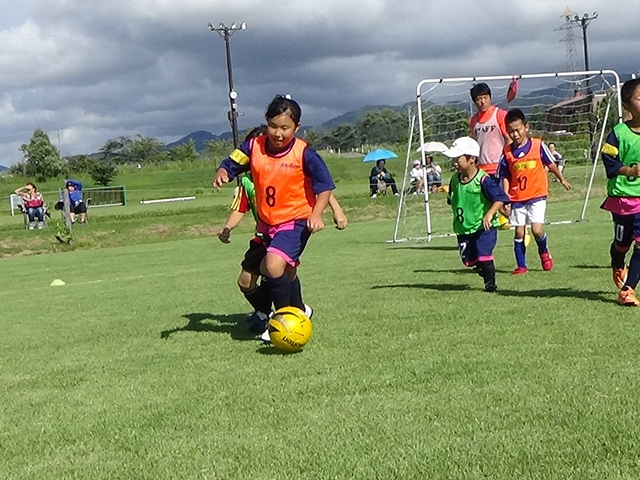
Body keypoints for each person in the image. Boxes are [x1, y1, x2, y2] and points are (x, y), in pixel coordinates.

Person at [213, 95, 336, 339]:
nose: (278, 133)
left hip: (297, 221)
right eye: (272, 126)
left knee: (272, 265)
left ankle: (283, 321)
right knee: (283, 273)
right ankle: (298, 310)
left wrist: (317, 214)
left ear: (297, 128)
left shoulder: (305, 153)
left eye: (285, 128)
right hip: (267, 225)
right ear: (266, 122)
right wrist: (223, 171)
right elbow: (233, 161)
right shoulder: (253, 146)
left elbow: (325, 186)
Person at [498, 109, 571, 275]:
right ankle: (521, 266)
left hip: (537, 194)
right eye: (511, 131)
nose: (515, 134)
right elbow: (505, 176)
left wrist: (562, 179)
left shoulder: (537, 145)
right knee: (519, 231)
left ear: (526, 127)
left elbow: (551, 164)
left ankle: (544, 252)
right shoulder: (507, 153)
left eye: (518, 130)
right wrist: (506, 197)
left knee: (537, 230)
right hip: (517, 197)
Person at [444, 137, 509, 292]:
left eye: (457, 158)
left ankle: (490, 284)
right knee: (469, 261)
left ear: (471, 158)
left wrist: (491, 213)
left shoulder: (483, 180)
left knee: (484, 254)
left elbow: (499, 197)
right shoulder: (454, 180)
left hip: (484, 226)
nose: (454, 162)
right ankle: (482, 266)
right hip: (463, 228)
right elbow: (453, 198)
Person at [600, 78, 640, 306]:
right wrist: (631, 170)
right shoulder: (618, 133)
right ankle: (617, 260)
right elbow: (610, 164)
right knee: (622, 243)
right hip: (622, 199)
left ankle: (628, 290)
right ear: (626, 105)